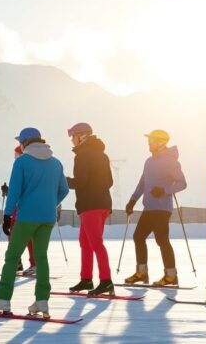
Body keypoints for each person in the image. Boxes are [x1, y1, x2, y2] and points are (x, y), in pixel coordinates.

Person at [0, 127, 70, 318]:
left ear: (25, 142)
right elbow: (64, 190)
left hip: (27, 216)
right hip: (47, 218)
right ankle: (42, 300)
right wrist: (50, 203)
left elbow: (14, 191)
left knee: (12, 256)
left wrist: (6, 216)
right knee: (41, 258)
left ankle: (3, 298)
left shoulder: (22, 162)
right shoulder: (56, 163)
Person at [123, 129, 187, 287]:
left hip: (162, 208)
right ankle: (141, 273)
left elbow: (182, 183)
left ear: (160, 142)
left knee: (162, 240)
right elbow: (142, 183)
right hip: (149, 207)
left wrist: (164, 190)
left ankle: (171, 276)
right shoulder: (149, 162)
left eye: (151, 140)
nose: (149, 143)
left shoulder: (171, 161)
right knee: (138, 237)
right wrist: (132, 200)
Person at [65, 122, 115, 296]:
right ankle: (86, 279)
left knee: (94, 242)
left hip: (91, 205)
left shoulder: (82, 155)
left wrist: (65, 181)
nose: (72, 140)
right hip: (102, 204)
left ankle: (106, 281)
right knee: (86, 242)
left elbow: (81, 182)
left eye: (73, 136)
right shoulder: (102, 155)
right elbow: (109, 182)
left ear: (82, 136)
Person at [1, 145, 36, 276]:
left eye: (16, 155)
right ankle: (18, 263)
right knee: (14, 237)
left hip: (23, 210)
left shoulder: (24, 167)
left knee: (25, 238)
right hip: (17, 210)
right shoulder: (20, 167)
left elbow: (22, 190)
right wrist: (7, 190)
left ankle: (33, 264)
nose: (14, 157)